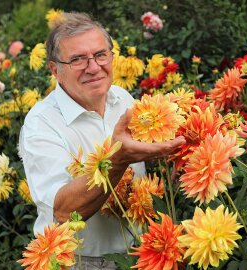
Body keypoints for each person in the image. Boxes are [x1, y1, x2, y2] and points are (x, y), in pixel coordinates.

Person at [18, 12, 185, 270]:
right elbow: (63, 211)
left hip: (143, 250)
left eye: (100, 54)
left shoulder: (122, 98)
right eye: (77, 59)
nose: (94, 67)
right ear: (55, 70)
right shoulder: (41, 123)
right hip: (82, 262)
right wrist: (117, 160)